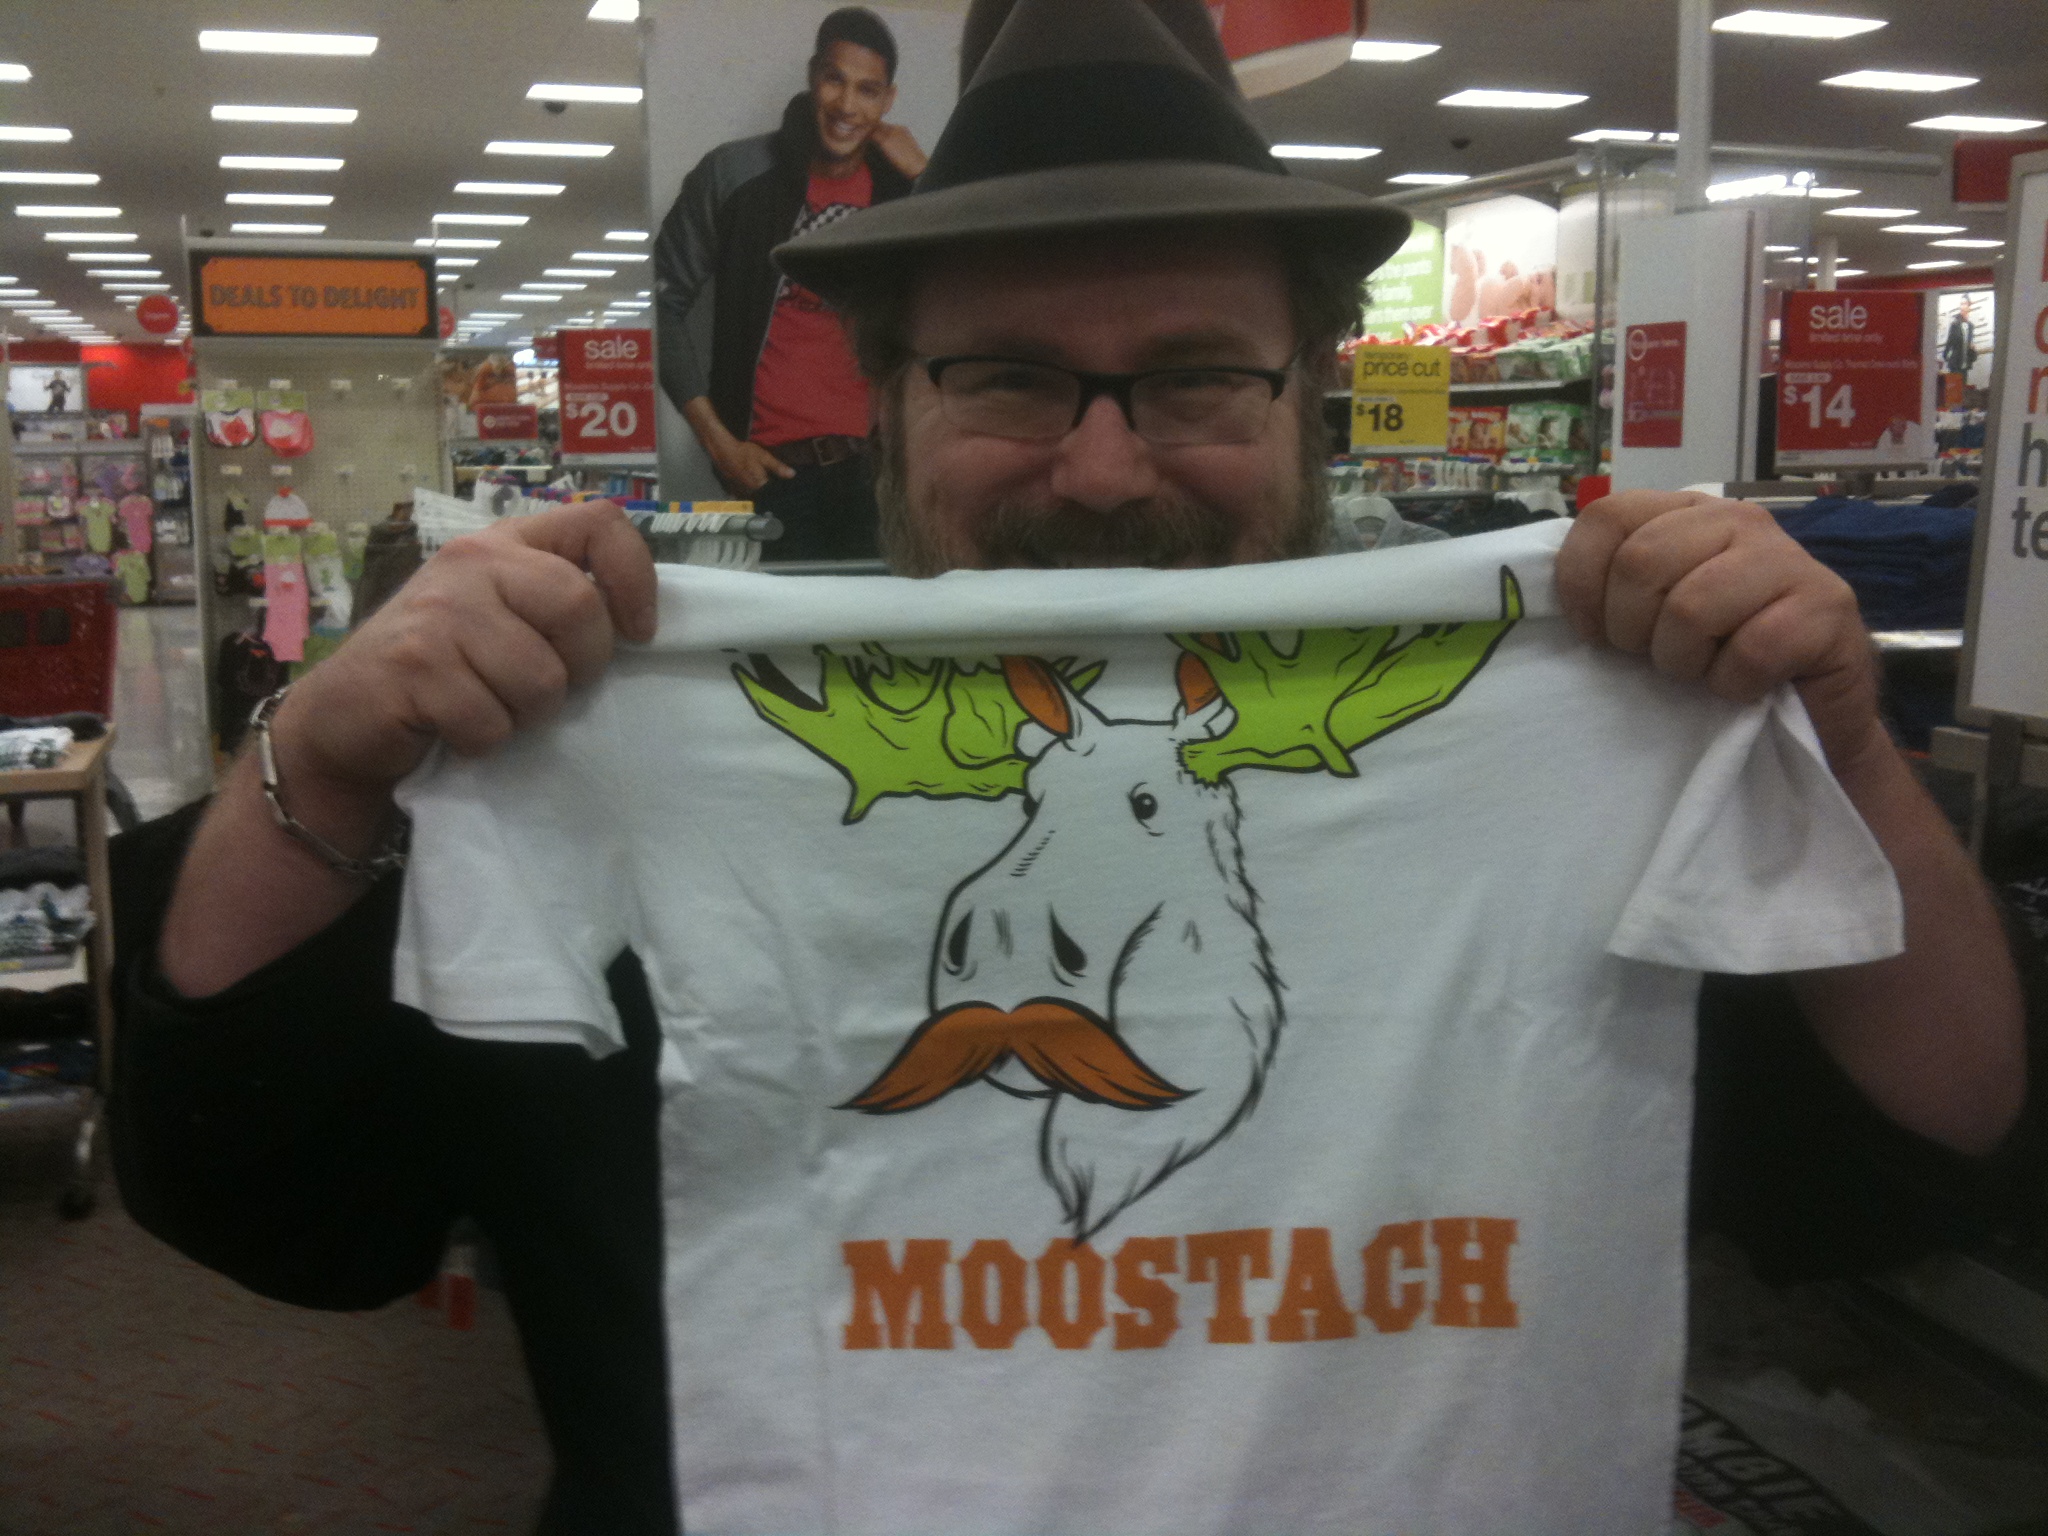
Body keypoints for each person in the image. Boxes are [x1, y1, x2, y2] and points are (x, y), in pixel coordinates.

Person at [113, 0, 2032, 1531]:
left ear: (1310, 396)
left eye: (1195, 376)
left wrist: (1839, 746)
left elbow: (1930, 1148)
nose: (1102, 467)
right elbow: (272, 1207)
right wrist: (332, 757)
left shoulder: (1564, 719)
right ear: (882, 405)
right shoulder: (642, 725)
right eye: (1008, 376)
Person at [653, 6, 925, 562]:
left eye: (867, 90)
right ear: (812, 75)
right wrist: (718, 443)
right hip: (773, 478)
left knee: (876, 646)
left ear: (888, 100)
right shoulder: (735, 175)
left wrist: (928, 179)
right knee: (778, 648)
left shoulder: (903, 196)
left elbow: (973, 305)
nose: (848, 106)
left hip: (883, 478)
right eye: (835, 80)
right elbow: (660, 304)